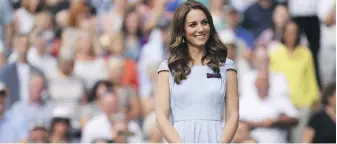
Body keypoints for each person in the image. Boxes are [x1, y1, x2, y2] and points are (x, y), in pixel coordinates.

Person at [155, 1, 239, 143]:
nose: (200, 29)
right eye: (193, 24)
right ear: (181, 30)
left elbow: (233, 116)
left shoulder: (227, 66)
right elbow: (161, 118)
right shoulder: (167, 68)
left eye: (204, 23)